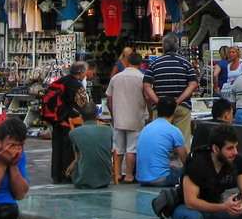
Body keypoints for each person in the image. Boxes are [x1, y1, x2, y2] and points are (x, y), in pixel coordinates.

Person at [143, 35, 199, 145]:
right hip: (181, 107)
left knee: (160, 141)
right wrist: (178, 101)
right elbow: (193, 84)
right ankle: (183, 161)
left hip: (161, 109)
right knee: (182, 141)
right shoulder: (185, 63)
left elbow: (146, 85)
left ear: (163, 47)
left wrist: (158, 102)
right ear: (177, 46)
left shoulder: (155, 64)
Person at [107, 51, 148, 183]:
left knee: (118, 148)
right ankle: (129, 175)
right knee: (132, 149)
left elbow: (109, 98)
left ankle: (117, 174)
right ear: (141, 64)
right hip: (136, 117)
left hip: (119, 117)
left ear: (127, 62)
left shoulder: (116, 78)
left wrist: (113, 114)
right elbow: (147, 98)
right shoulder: (142, 78)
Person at [49, 62, 88, 184]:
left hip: (56, 120)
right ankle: (68, 175)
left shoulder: (61, 81)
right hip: (70, 121)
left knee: (57, 147)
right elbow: (83, 104)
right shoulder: (77, 85)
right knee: (69, 149)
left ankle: (56, 175)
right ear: (81, 72)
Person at [136, 97, 188, 186]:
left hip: (141, 178)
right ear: (174, 110)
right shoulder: (173, 130)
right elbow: (185, 160)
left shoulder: (146, 128)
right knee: (190, 171)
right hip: (161, 179)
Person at [67, 106, 112, 189]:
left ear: (80, 117)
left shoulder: (73, 133)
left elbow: (78, 157)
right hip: (105, 179)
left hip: (83, 180)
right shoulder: (108, 130)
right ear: (97, 116)